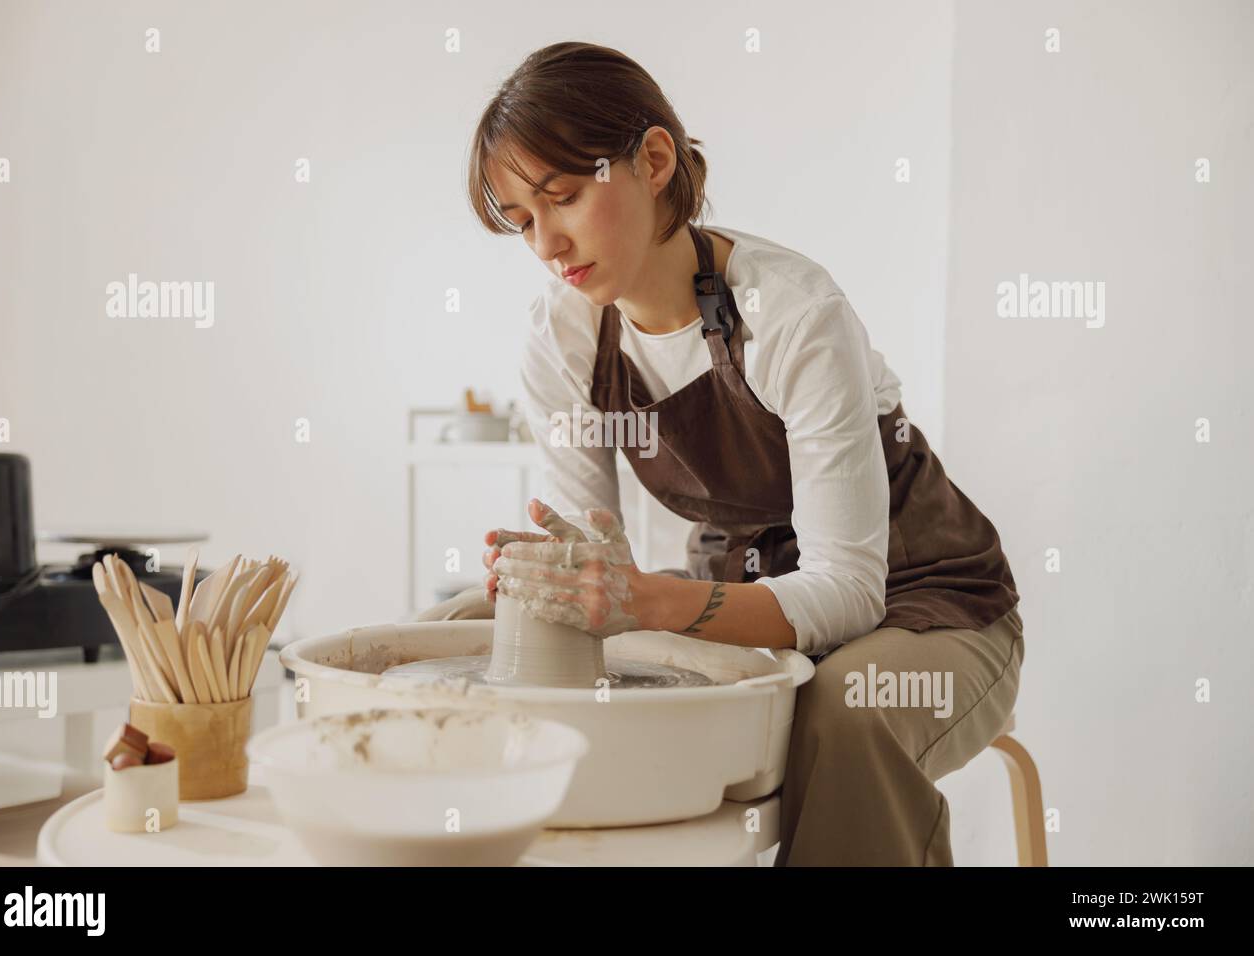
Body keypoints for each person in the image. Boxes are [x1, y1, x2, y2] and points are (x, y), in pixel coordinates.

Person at [417, 41, 1024, 866]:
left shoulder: (793, 313)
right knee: (446, 633)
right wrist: (557, 578)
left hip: (925, 602)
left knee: (846, 710)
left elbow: (846, 591)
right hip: (744, 595)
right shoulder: (560, 334)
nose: (547, 246)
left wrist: (647, 602)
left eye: (561, 198)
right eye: (523, 223)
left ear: (654, 159)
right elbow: (596, 550)